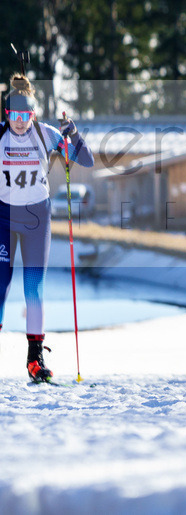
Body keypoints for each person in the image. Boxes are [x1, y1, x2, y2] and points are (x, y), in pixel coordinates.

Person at [0, 74, 94, 382]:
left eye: (25, 116)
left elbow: (86, 160)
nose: (19, 122)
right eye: (14, 115)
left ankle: (34, 360)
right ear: (6, 114)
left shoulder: (45, 134)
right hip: (3, 217)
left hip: (37, 221)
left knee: (34, 291)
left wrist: (74, 134)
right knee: (0, 286)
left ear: (33, 115)